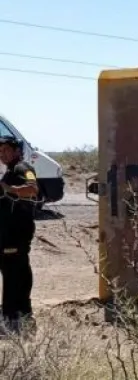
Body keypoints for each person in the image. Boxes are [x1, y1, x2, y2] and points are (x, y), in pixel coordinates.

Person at [0, 135, 38, 333]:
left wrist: (7, 188)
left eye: (6, 149)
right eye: (0, 151)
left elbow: (32, 189)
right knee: (18, 269)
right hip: (10, 230)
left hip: (17, 230)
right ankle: (21, 313)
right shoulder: (9, 171)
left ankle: (11, 317)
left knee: (13, 270)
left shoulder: (23, 168)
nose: (2, 154)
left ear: (16, 151)